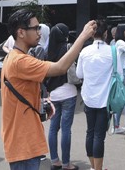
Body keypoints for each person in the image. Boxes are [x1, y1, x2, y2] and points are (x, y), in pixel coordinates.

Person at [2, 9, 96, 170]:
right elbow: (60, 68)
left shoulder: (13, 57)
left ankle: (57, 161)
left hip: (23, 139)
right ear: (21, 32)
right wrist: (83, 36)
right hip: (23, 143)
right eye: (36, 28)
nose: (39, 32)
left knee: (56, 128)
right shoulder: (20, 61)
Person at [77, 19, 114, 170]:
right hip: (105, 99)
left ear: (92, 34)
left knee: (90, 132)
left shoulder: (84, 51)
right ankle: (98, 168)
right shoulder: (112, 51)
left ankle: (93, 167)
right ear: (106, 34)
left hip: (88, 97)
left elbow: (79, 73)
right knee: (99, 135)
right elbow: (118, 75)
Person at [44, 23, 79, 170]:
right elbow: (72, 69)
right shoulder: (68, 47)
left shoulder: (47, 51)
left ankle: (54, 161)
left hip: (54, 94)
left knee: (53, 128)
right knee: (66, 129)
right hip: (68, 92)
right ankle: (66, 164)